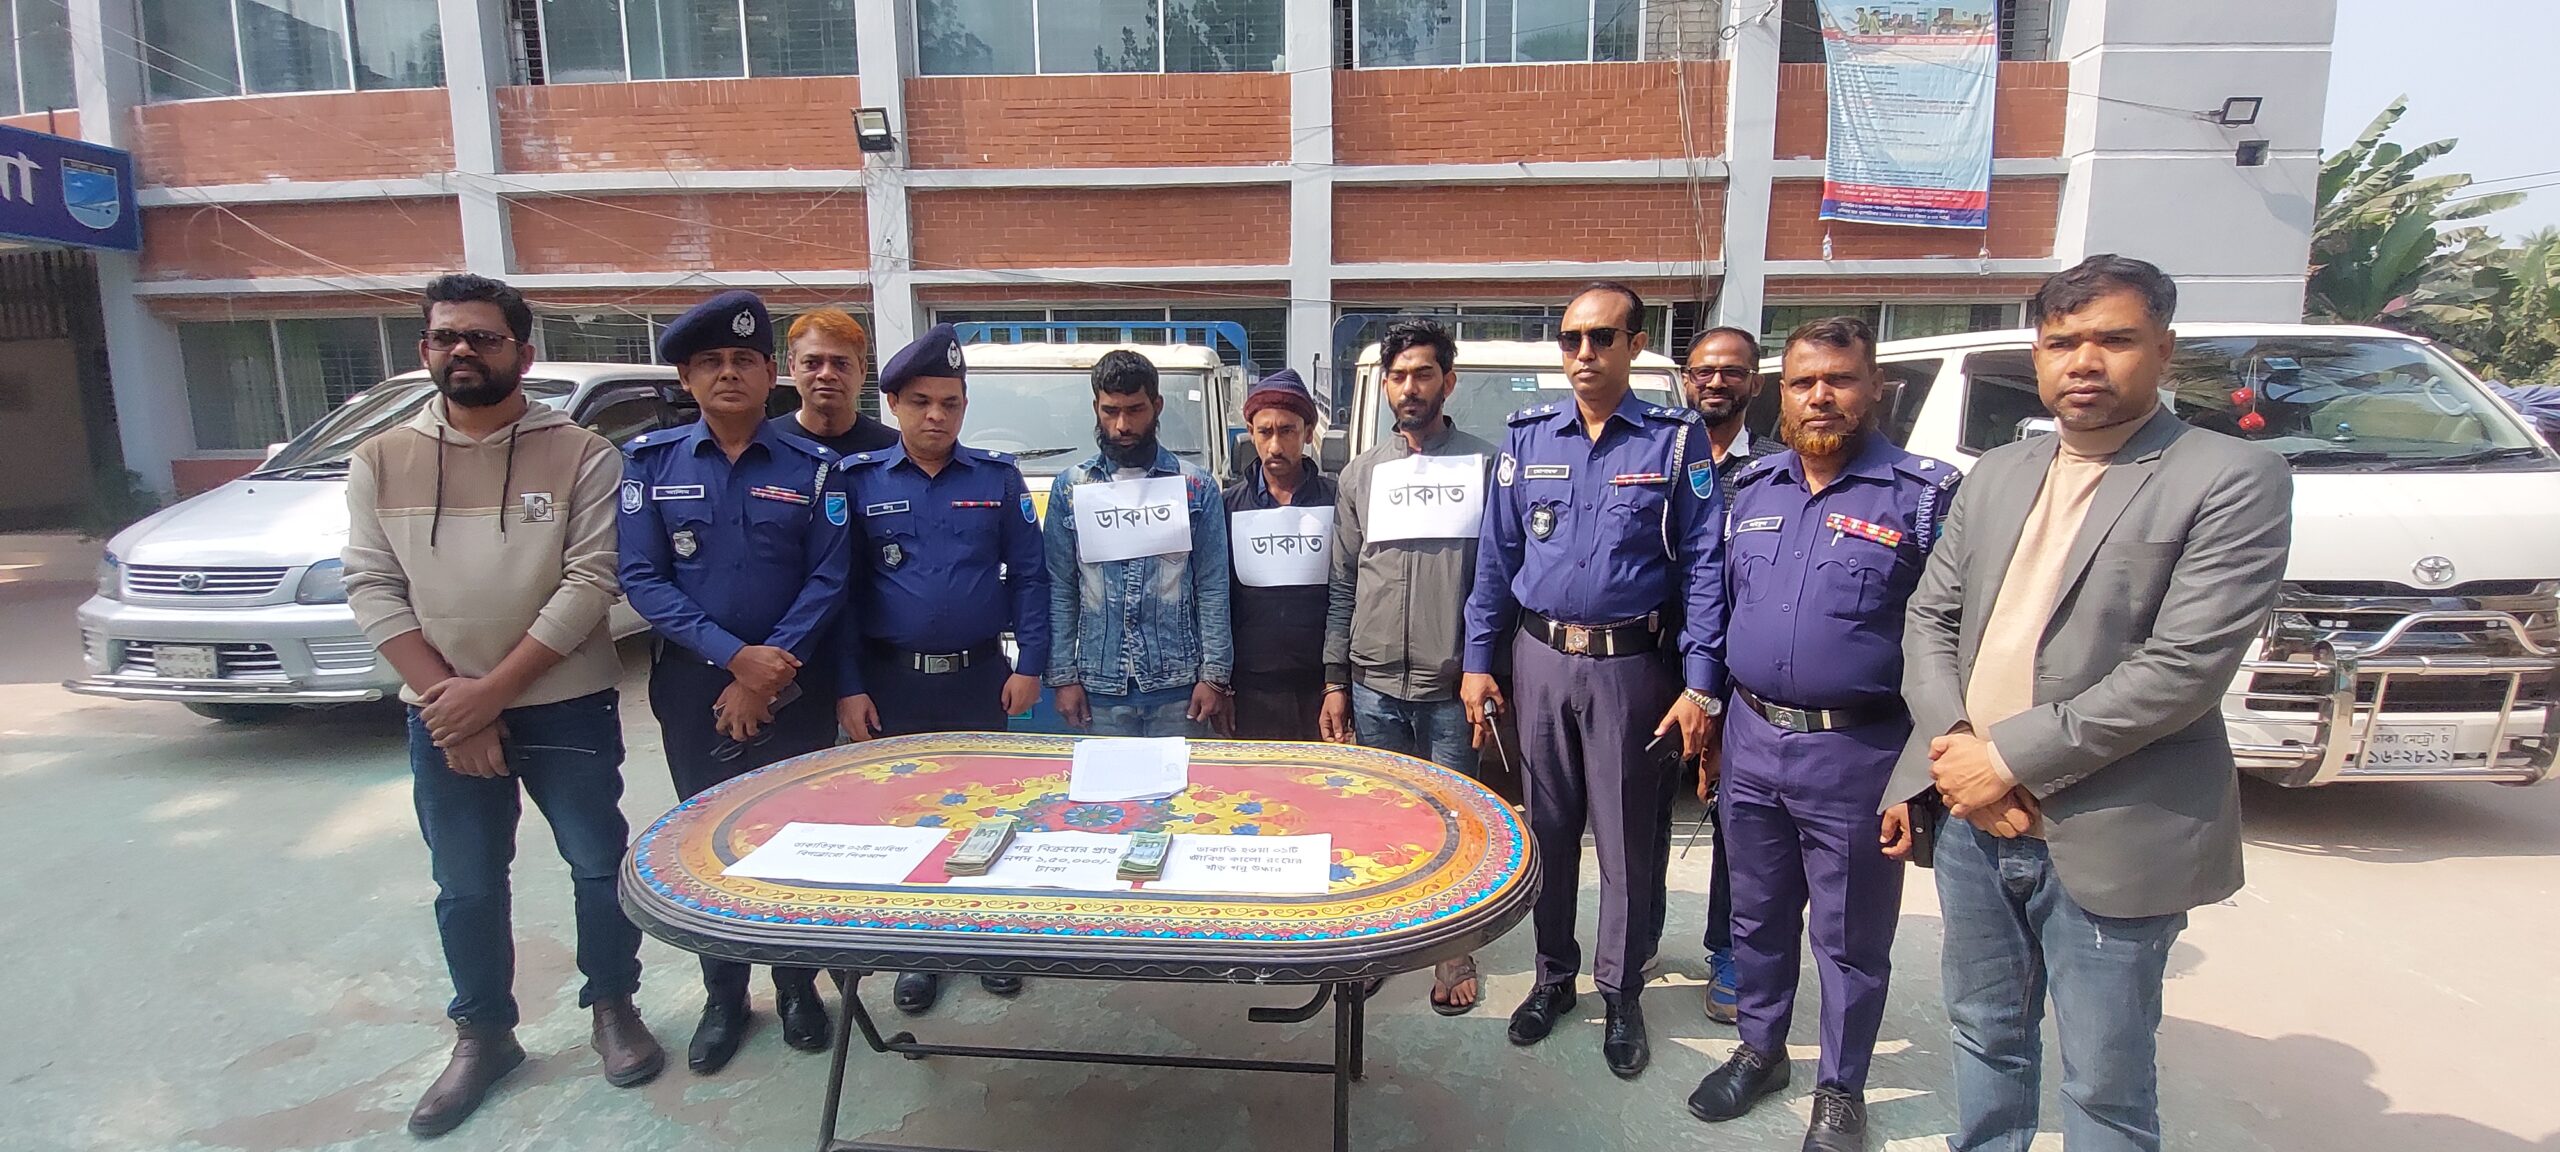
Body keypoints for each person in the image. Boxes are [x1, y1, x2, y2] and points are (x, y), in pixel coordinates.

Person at [1885, 255, 2292, 1152]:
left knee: (2105, 1082)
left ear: (2164, 350)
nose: (2084, 362)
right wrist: (1958, 749)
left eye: (2114, 339)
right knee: (1984, 1033)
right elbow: (1931, 618)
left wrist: (2005, 759)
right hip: (1976, 823)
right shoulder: (1999, 472)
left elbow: (2184, 668)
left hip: (2112, 826)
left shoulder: (2229, 477)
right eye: (2062, 342)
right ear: (2038, 355)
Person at [345, 273, 667, 1136]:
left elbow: (589, 582)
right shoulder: (381, 458)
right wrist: (453, 704)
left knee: (598, 865)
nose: (463, 351)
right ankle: (483, 1034)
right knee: (466, 883)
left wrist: (490, 694)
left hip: (565, 704)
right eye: (447, 336)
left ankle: (613, 1007)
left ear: (521, 354)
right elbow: (371, 586)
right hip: (442, 711)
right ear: (424, 350)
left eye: (483, 338)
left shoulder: (583, 454)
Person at [1684, 316, 1958, 1152]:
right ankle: (1760, 1049)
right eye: (1804, 382)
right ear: (1783, 392)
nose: (1821, 397)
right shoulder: (1752, 489)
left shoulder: (1924, 496)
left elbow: (1953, 640)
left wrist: (1919, 778)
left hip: (1859, 754)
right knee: (1757, 918)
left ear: (1875, 389)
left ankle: (1841, 1089)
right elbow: (1722, 609)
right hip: (1754, 742)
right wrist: (1715, 721)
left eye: (1839, 380)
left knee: (1849, 941)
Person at [1461, 282, 1726, 1079]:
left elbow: (1704, 568)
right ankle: (1553, 979)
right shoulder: (1526, 437)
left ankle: (1620, 993)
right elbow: (1497, 559)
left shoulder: (1675, 442)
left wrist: (1702, 684)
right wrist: (1477, 661)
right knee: (1547, 832)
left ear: (1635, 345)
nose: (1583, 353)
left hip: (1630, 668)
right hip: (1540, 659)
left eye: (1601, 337)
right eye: (1571, 338)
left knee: (1624, 841)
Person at [618, 289, 855, 1075]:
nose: (729, 374)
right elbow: (642, 579)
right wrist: (733, 658)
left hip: (793, 685)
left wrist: (767, 666)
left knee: (791, 838)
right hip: (695, 688)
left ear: (768, 374)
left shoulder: (814, 469)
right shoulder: (650, 464)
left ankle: (796, 988)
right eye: (711, 362)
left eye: (744, 361)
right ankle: (724, 997)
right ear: (686, 378)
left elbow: (828, 578)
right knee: (705, 843)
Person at [834, 323, 1049, 1014]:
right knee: (907, 819)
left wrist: (1031, 663)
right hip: (891, 681)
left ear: (964, 406)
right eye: (921, 402)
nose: (936, 416)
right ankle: (919, 952)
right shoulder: (857, 482)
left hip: (978, 677)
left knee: (990, 813)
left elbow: (1031, 577)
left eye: (950, 403)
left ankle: (988, 940)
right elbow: (839, 595)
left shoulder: (996, 478)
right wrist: (848, 686)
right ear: (893, 404)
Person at [1320, 318, 1501, 1016]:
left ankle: (1452, 949)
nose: (1409, 388)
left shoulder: (1485, 467)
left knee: (1458, 824)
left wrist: (1485, 668)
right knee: (1383, 822)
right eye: (1397, 376)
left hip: (1451, 685)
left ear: (1448, 382)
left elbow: (1497, 582)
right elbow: (1344, 583)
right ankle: (1383, 942)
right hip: (1372, 686)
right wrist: (1335, 680)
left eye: (1423, 374)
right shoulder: (1362, 474)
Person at [1043, 349, 1234, 737]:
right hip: (1100, 687)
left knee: (1181, 779)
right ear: (1095, 408)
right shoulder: (1070, 488)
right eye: (1110, 411)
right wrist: (1063, 676)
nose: (1122, 425)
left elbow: (1212, 585)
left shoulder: (1195, 486)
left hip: (1179, 686)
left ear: (1157, 406)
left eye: (1135, 410)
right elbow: (1061, 588)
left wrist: (1214, 676)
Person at [1672, 324, 1770, 1028]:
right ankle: (1637, 938)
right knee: (1643, 813)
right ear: (1685, 379)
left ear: (1753, 384)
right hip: (1654, 661)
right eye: (1703, 370)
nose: (1715, 382)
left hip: (1743, 671)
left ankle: (1730, 952)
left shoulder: (1774, 471)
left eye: (1731, 371)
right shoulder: (1660, 455)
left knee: (1736, 822)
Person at [1221, 369, 1339, 740]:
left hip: (1319, 687)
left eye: (1287, 431)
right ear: (1250, 432)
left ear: (1308, 432)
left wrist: (1338, 683)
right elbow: (1215, 598)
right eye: (1265, 432)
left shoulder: (1337, 502)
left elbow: (1348, 593)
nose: (1275, 446)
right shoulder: (1227, 507)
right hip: (1249, 689)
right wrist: (1222, 685)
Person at [770, 307, 900, 456]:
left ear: (863, 370)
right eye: (812, 363)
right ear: (792, 367)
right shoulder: (763, 444)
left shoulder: (894, 451)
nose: (826, 374)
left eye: (841, 364)